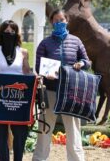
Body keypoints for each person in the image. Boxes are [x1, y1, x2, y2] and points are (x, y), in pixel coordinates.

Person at [32, 9, 91, 161]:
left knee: (73, 128)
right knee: (45, 127)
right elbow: (38, 67)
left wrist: (81, 63)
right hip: (50, 91)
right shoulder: (45, 44)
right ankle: (39, 158)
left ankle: (76, 159)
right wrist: (45, 74)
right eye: (56, 21)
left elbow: (87, 61)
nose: (59, 23)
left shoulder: (76, 41)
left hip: (71, 92)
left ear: (67, 21)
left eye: (62, 20)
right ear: (52, 22)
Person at [0, 20, 32, 161]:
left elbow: (26, 71)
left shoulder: (23, 52)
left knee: (20, 133)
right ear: (1, 34)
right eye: (6, 32)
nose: (9, 34)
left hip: (19, 98)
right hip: (0, 97)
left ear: (16, 34)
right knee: (1, 134)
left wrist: (35, 75)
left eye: (12, 32)